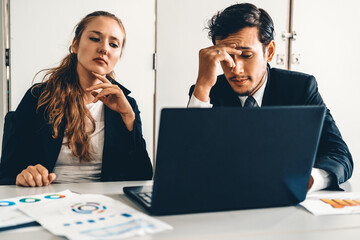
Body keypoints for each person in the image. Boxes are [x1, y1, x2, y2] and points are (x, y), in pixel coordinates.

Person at [188, 3, 353, 191]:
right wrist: (202, 86)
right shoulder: (209, 92)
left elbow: (339, 155)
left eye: (246, 55)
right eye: (226, 57)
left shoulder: (300, 89)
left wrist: (309, 179)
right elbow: (185, 162)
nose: (236, 69)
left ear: (270, 52)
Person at [0, 11, 153, 186]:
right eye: (95, 38)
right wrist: (23, 175)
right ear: (75, 45)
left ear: (118, 56)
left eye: (113, 44)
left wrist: (129, 118)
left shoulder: (126, 105)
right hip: (48, 200)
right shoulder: (38, 97)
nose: (104, 48)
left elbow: (143, 176)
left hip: (106, 204)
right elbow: (7, 173)